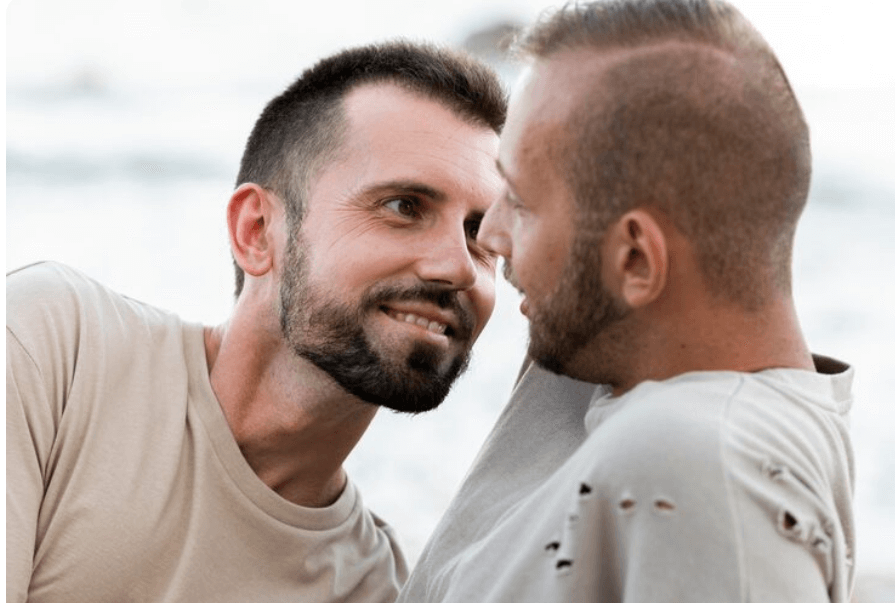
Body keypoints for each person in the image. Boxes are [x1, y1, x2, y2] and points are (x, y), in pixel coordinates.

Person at [6, 41, 506, 603]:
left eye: (479, 234)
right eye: (403, 207)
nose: (459, 267)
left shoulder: (375, 590)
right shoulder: (51, 350)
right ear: (257, 232)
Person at [396, 1, 856, 602]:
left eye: (524, 204)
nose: (490, 236)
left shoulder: (704, 465)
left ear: (637, 261)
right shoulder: (618, 365)